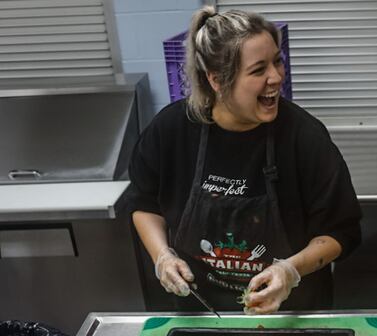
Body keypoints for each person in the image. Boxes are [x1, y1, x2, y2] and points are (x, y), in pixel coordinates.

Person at [126, 7, 361, 313]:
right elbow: (145, 204)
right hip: (202, 313)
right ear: (216, 80)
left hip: (289, 313)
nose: (275, 77)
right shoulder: (171, 131)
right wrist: (163, 256)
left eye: (277, 61)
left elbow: (342, 231)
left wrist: (289, 271)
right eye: (258, 69)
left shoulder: (304, 137)